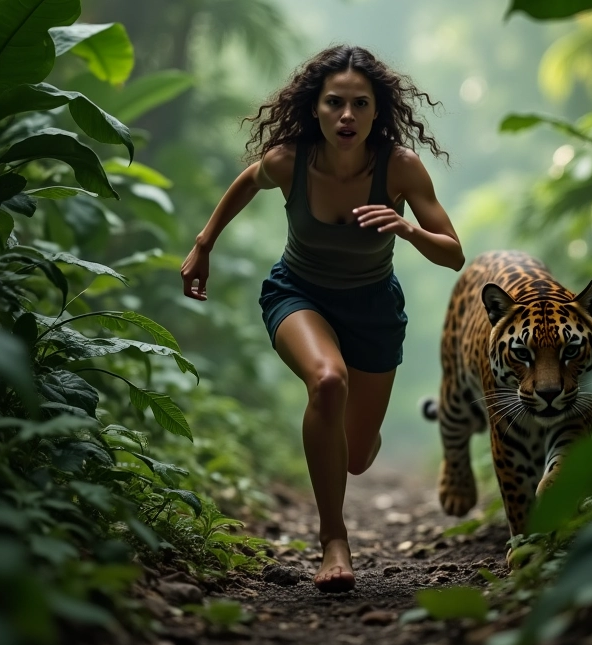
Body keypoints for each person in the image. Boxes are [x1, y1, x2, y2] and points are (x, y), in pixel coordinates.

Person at [180, 45, 464, 593]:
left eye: (361, 103)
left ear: (379, 111)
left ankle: (357, 443)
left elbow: (453, 253)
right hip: (298, 293)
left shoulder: (400, 167)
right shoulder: (292, 160)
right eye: (335, 102)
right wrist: (203, 243)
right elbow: (248, 181)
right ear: (316, 108)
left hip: (374, 311)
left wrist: (408, 230)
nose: (347, 116)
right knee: (328, 382)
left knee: (357, 458)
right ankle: (334, 539)